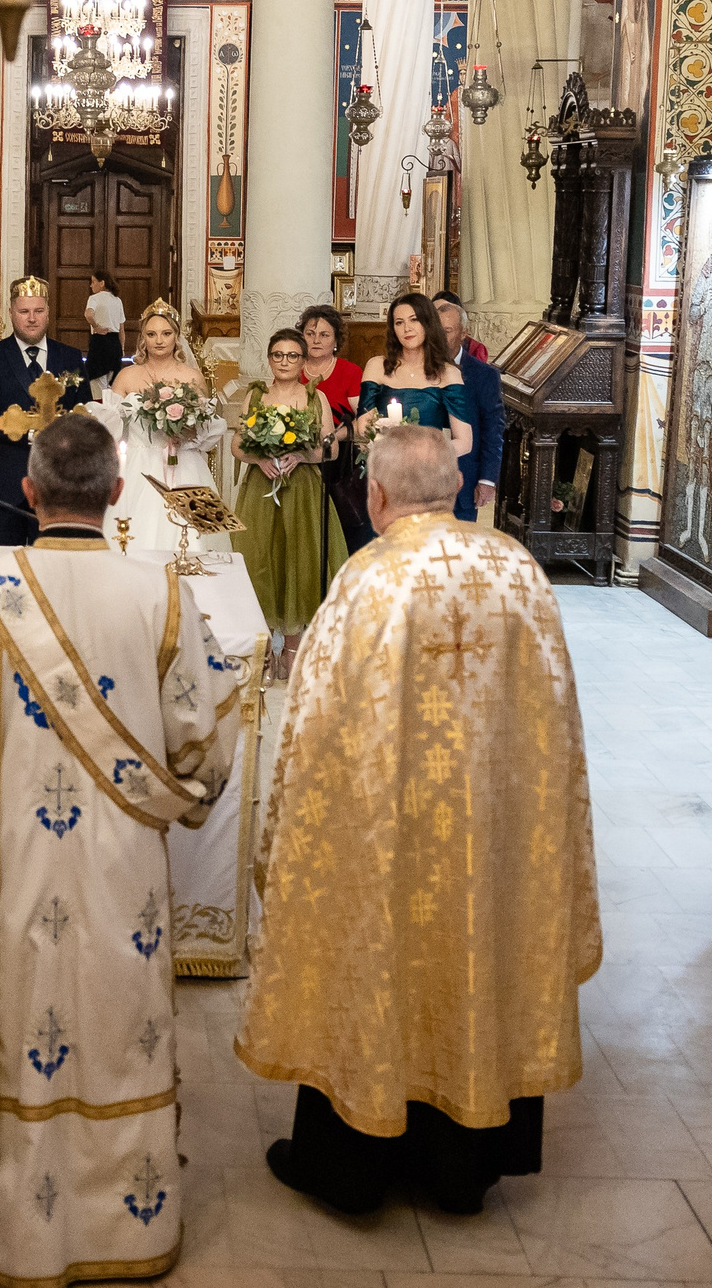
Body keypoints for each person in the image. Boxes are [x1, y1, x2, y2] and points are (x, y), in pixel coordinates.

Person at [0, 415, 238, 1288]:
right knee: (117, 1022)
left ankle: (12, 1224)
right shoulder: (160, 591)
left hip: (7, 862)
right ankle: (126, 1224)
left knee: (24, 1023)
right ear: (118, 493)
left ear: (27, 490)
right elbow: (203, 742)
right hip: (122, 870)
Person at [239, 424, 597, 1216]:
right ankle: (464, 1166)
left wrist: (292, 836)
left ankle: (355, 1167)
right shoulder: (519, 572)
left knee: (381, 963)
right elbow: (558, 719)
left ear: (376, 496)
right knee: (479, 952)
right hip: (495, 838)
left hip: (391, 843)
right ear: (460, 488)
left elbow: (315, 725)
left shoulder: (368, 580)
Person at [227, 328, 343, 679]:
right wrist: (258, 458)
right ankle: (263, 647)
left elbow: (331, 448)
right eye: (278, 355)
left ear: (304, 361)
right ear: (269, 359)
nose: (285, 362)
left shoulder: (315, 399)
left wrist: (302, 455)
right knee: (261, 560)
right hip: (262, 489)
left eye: (293, 356)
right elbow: (237, 443)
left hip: (302, 491)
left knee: (297, 561)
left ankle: (292, 648)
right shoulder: (256, 396)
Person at [0, 276, 91, 544]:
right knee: (2, 568)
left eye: (38, 311)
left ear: (48, 313)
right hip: (2, 479)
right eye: (24, 311)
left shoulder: (70, 357)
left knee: (53, 566)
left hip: (57, 481)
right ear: (11, 313)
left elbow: (85, 410)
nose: (32, 318)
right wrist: (24, 428)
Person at [98, 300, 227, 553]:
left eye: (166, 333)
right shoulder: (127, 377)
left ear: (176, 337)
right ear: (143, 338)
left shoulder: (192, 377)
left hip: (184, 464)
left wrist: (184, 431)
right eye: (151, 334)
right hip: (138, 465)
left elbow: (204, 429)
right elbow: (110, 429)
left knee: (192, 539)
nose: (159, 340)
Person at [354, 294, 475, 463]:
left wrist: (423, 455)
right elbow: (363, 427)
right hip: (385, 467)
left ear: (428, 323)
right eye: (399, 322)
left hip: (429, 471)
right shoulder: (376, 366)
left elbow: (465, 442)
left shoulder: (448, 373)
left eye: (414, 320)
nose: (407, 328)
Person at [298, 304, 369, 552]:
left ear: (336, 340)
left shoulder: (350, 372)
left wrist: (332, 436)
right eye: (310, 333)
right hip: (300, 462)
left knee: (338, 534)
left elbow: (364, 424)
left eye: (324, 335)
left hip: (340, 465)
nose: (316, 340)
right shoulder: (291, 370)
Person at [433, 294, 503, 522]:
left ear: (464, 334)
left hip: (464, 481)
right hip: (420, 480)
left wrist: (487, 480)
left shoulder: (484, 376)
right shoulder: (414, 370)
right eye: (435, 330)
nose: (439, 337)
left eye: (447, 331)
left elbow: (493, 430)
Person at [83, 267, 126, 385]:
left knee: (96, 382)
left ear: (102, 283)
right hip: (115, 344)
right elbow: (121, 328)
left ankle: (98, 403)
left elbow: (88, 314)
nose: (91, 286)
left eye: (93, 282)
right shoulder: (118, 300)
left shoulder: (94, 298)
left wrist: (96, 326)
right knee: (112, 382)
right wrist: (122, 348)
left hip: (100, 342)